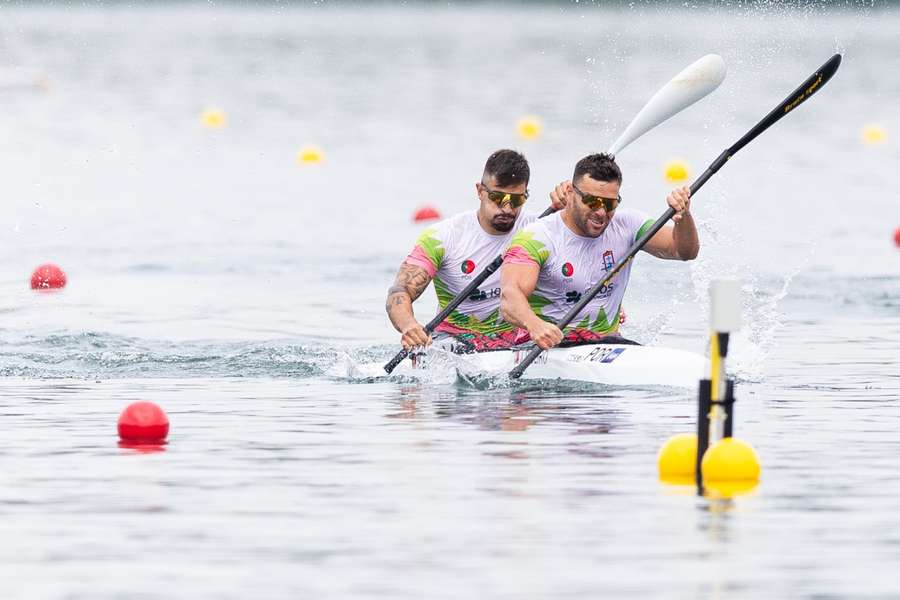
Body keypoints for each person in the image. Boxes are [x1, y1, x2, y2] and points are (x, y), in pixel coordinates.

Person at [500, 153, 699, 350]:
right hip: (546, 348)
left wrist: (684, 216)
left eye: (610, 204)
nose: (601, 212)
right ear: (570, 192)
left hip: (607, 345)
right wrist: (535, 325)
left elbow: (684, 251)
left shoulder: (629, 226)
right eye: (592, 202)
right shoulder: (537, 237)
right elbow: (509, 297)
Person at [386, 149, 563, 351]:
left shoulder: (539, 228)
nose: (507, 208)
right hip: (454, 341)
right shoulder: (444, 236)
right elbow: (399, 291)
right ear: (480, 191)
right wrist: (409, 326)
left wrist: (573, 199)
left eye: (516, 201)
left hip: (518, 341)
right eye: (498, 197)